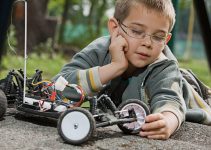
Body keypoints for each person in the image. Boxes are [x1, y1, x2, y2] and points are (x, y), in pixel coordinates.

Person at [53, 0, 211, 140]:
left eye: (158, 37)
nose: (147, 43)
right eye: (137, 31)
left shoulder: (164, 67)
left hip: (185, 90)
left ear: (166, 41)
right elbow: (57, 87)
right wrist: (114, 67)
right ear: (115, 28)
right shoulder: (99, 51)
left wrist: (168, 122)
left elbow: (170, 101)